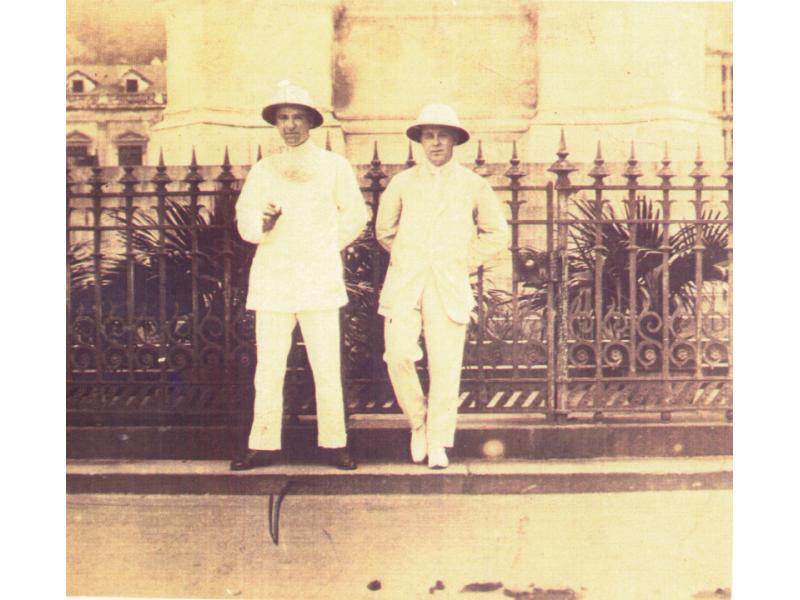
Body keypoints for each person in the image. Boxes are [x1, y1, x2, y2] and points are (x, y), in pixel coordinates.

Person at [231, 81, 368, 471]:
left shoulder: (333, 167)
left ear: (311, 122)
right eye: (283, 118)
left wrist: (325, 246)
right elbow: (245, 222)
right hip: (274, 279)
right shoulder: (263, 169)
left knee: (326, 364)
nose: (290, 125)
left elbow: (356, 216)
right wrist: (264, 222)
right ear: (276, 124)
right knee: (269, 366)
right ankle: (262, 444)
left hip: (318, 279)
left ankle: (335, 443)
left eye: (297, 117)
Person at [376, 104, 509, 469]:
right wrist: (411, 257)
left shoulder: (472, 184)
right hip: (406, 282)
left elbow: (497, 232)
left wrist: (462, 260)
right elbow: (384, 231)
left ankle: (438, 442)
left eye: (442, 136)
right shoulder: (403, 183)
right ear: (420, 141)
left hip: (448, 284)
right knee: (399, 355)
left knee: (445, 365)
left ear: (454, 141)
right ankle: (418, 423)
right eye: (428, 136)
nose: (435, 143)